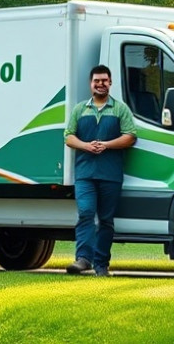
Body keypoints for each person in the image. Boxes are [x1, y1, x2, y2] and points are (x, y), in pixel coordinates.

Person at [64, 64, 137, 276]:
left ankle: (101, 265)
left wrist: (106, 144)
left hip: (110, 175)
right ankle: (83, 259)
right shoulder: (80, 109)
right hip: (85, 175)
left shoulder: (120, 109)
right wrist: (86, 145)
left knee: (106, 220)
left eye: (104, 80)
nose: (100, 84)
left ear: (110, 83)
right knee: (86, 214)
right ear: (90, 84)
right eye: (97, 81)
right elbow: (68, 136)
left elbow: (130, 136)